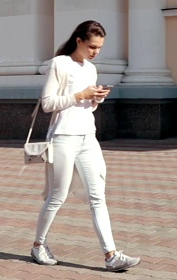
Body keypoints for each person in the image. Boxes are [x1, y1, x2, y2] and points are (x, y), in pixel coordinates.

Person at [30, 20, 140, 272]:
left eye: (99, 48)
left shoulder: (90, 69)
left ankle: (111, 255)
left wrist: (95, 99)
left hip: (88, 137)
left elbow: (85, 106)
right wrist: (79, 95)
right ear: (78, 41)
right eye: (91, 46)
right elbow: (48, 103)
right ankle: (38, 246)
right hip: (63, 138)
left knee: (98, 195)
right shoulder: (59, 64)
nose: (95, 52)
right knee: (57, 195)